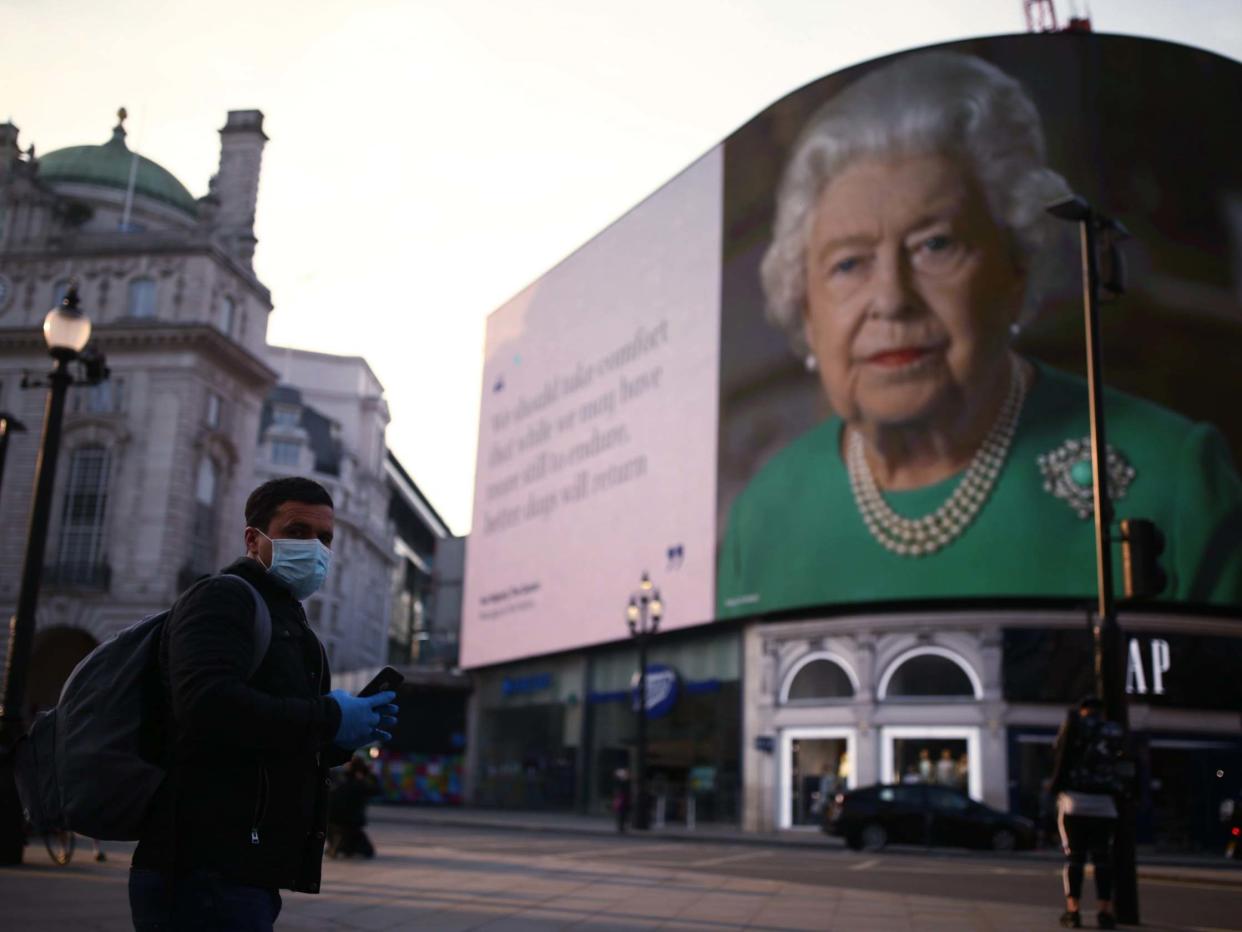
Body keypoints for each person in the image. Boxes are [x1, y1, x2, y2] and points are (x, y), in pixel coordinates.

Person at [716, 51, 1242, 616]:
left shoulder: (1175, 478)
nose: (892, 298)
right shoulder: (762, 516)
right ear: (807, 309)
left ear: (1016, 267)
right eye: (849, 264)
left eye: (935, 245)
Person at [128, 477, 399, 931]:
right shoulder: (223, 598)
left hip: (246, 869)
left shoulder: (289, 620)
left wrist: (341, 738)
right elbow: (208, 707)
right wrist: (330, 716)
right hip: (203, 863)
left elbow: (276, 739)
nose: (315, 548)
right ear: (254, 538)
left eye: (325, 538)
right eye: (297, 532)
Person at [1049, 696, 1123, 929]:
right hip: (1105, 804)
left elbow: (1058, 752)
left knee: (1074, 858)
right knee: (1102, 860)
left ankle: (1074, 910)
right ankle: (1105, 911)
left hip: (1075, 801)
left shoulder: (1074, 726)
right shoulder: (1114, 730)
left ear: (1083, 710)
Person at [327, 756, 380, 859]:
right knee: (351, 835)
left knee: (348, 835)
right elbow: (375, 790)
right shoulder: (355, 782)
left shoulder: (342, 779)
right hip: (348, 818)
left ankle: (340, 847)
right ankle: (340, 847)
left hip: (338, 816)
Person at [612, 768, 631, 833]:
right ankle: (621, 827)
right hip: (622, 800)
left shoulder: (623, 782)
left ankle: (621, 826)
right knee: (622, 814)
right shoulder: (622, 783)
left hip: (623, 800)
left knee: (622, 815)